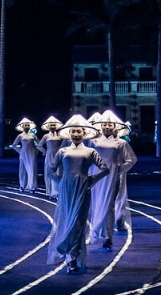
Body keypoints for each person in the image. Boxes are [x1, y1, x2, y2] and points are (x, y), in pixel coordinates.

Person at [47, 114, 109, 274]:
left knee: (79, 222)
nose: (76, 134)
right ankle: (70, 256)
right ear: (69, 133)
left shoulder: (90, 152)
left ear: (84, 133)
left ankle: (73, 255)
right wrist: (60, 182)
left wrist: (91, 180)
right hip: (66, 190)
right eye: (73, 131)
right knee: (67, 220)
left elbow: (105, 169)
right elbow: (50, 170)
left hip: (83, 189)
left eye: (79, 132)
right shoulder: (63, 151)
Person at [88, 109, 137, 251]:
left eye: (110, 125)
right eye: (105, 125)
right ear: (101, 126)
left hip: (111, 178)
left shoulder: (121, 143)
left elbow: (131, 159)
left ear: (115, 127)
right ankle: (97, 231)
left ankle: (108, 237)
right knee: (96, 203)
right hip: (96, 176)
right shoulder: (93, 141)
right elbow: (88, 158)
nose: (107, 127)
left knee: (109, 205)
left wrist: (118, 170)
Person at [36, 115, 64, 199]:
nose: (52, 127)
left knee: (59, 172)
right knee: (50, 173)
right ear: (48, 126)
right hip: (49, 156)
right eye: (51, 125)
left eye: (54, 125)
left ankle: (58, 192)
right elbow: (39, 146)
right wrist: (45, 152)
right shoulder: (46, 136)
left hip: (58, 155)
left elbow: (63, 145)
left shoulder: (59, 135)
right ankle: (51, 192)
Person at [11, 117, 40, 193]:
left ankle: (32, 187)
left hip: (31, 153)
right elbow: (14, 145)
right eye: (25, 125)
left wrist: (36, 151)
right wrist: (20, 151)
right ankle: (22, 186)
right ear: (22, 127)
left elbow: (39, 144)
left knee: (32, 169)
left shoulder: (33, 135)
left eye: (28, 125)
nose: (27, 126)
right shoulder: (20, 136)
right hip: (23, 154)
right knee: (22, 170)